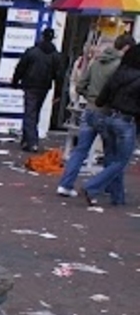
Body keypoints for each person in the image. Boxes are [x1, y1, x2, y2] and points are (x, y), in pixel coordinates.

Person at [57, 33, 135, 198]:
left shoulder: (96, 62)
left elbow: (80, 85)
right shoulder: (119, 66)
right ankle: (108, 189)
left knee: (80, 150)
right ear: (127, 48)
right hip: (107, 112)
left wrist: (89, 96)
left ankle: (65, 184)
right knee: (112, 153)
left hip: (89, 110)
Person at [82, 44, 140, 207]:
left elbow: (101, 99)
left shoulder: (118, 73)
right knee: (121, 161)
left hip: (108, 117)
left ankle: (118, 197)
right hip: (127, 121)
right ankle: (92, 186)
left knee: (113, 159)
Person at [13, 28, 62, 153]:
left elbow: (21, 67)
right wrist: (58, 92)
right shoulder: (55, 55)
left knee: (29, 112)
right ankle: (26, 140)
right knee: (34, 112)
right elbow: (59, 75)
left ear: (42, 36)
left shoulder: (32, 52)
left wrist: (15, 81)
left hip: (30, 84)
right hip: (44, 86)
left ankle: (31, 141)